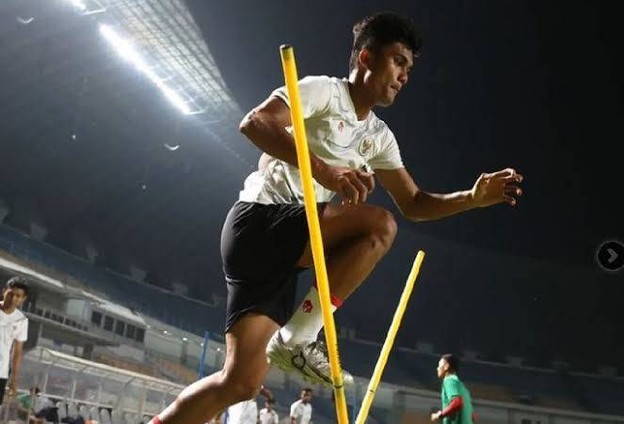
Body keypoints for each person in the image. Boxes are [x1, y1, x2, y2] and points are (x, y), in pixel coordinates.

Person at [149, 11, 523, 424]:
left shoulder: (379, 137)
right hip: (260, 221)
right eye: (398, 61)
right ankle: (300, 339)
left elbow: (415, 202)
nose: (404, 75)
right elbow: (255, 123)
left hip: (287, 252)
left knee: (240, 383)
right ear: (365, 58)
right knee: (379, 226)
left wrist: (471, 197)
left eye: (410, 68)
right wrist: (326, 171)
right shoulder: (324, 92)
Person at [0, 276, 29, 405]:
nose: (14, 298)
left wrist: (14, 379)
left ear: (23, 299)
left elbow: (17, 352)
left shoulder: (22, 321)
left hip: (1, 371)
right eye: (11, 293)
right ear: (4, 291)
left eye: (18, 296)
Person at [431, 354, 475, 423]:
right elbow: (472, 416)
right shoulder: (463, 388)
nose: (437, 368)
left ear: (446, 366)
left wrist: (440, 415)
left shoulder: (449, 380)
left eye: (439, 365)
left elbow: (457, 402)